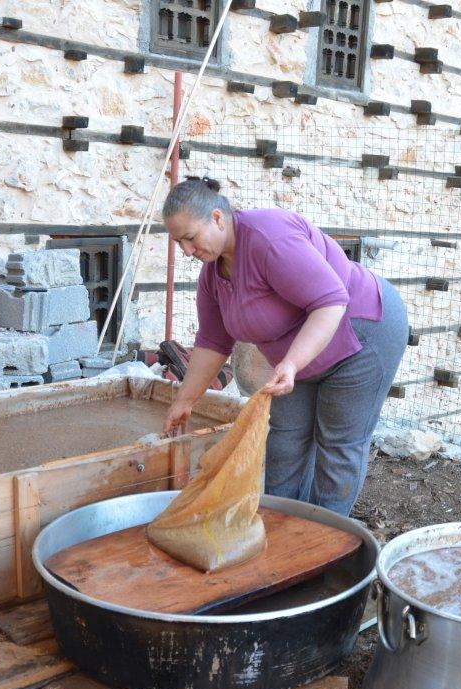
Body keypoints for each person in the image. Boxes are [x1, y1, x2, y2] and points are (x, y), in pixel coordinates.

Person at [161, 176, 408, 516]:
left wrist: (292, 363)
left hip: (361, 334)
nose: (187, 251)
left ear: (217, 218)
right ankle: (279, 534)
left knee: (336, 448)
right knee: (284, 444)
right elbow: (213, 341)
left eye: (190, 238)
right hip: (299, 357)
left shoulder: (269, 238)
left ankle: (324, 544)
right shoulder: (213, 274)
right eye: (179, 243)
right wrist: (185, 400)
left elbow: (331, 301)